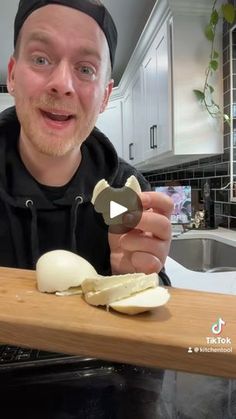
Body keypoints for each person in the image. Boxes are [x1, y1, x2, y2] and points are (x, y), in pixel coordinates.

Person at [0, 1, 173, 417]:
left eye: (85, 69)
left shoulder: (124, 195)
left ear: (106, 96)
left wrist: (134, 280)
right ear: (11, 75)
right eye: (41, 58)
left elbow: (150, 368)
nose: (62, 84)